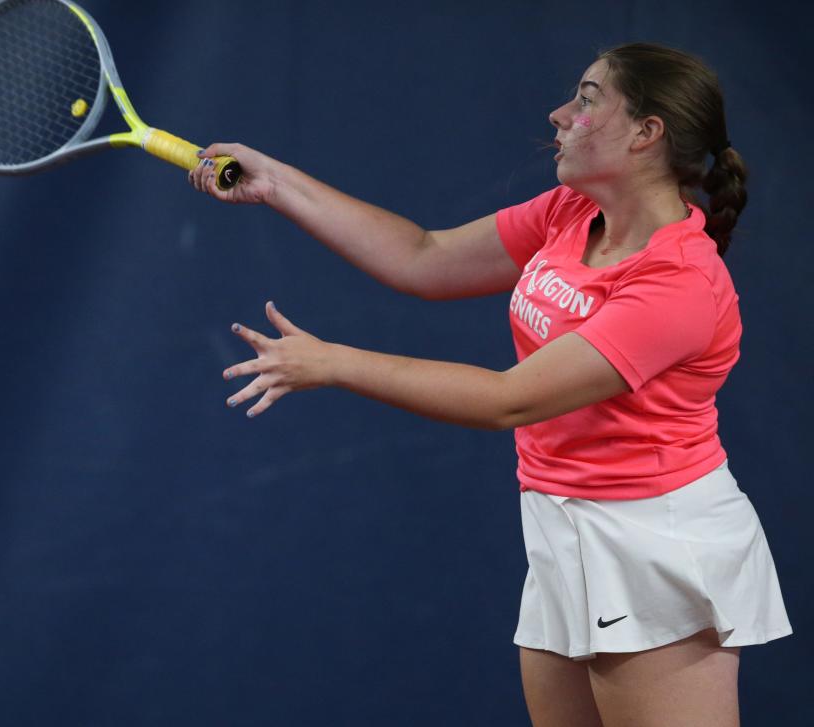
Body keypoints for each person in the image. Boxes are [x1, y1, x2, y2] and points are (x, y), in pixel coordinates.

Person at [188, 42, 791, 726]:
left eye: (588, 99)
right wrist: (279, 183)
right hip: (562, 526)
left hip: (654, 544)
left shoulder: (677, 283)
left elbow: (510, 398)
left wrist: (333, 362)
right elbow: (426, 257)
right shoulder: (570, 212)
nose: (560, 113)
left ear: (647, 133)